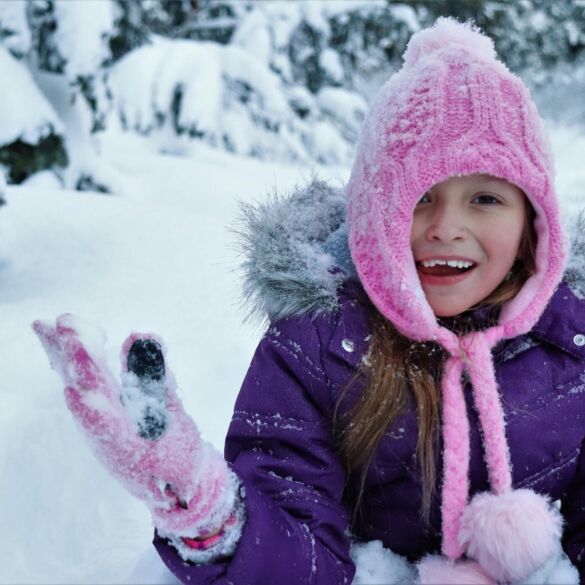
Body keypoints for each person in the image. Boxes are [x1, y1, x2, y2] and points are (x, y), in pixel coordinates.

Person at [32, 17, 585, 585]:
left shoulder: (572, 339)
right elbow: (301, 547)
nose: (447, 227)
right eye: (419, 198)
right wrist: (204, 509)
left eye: (486, 197)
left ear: (532, 220)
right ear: (372, 213)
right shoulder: (319, 345)